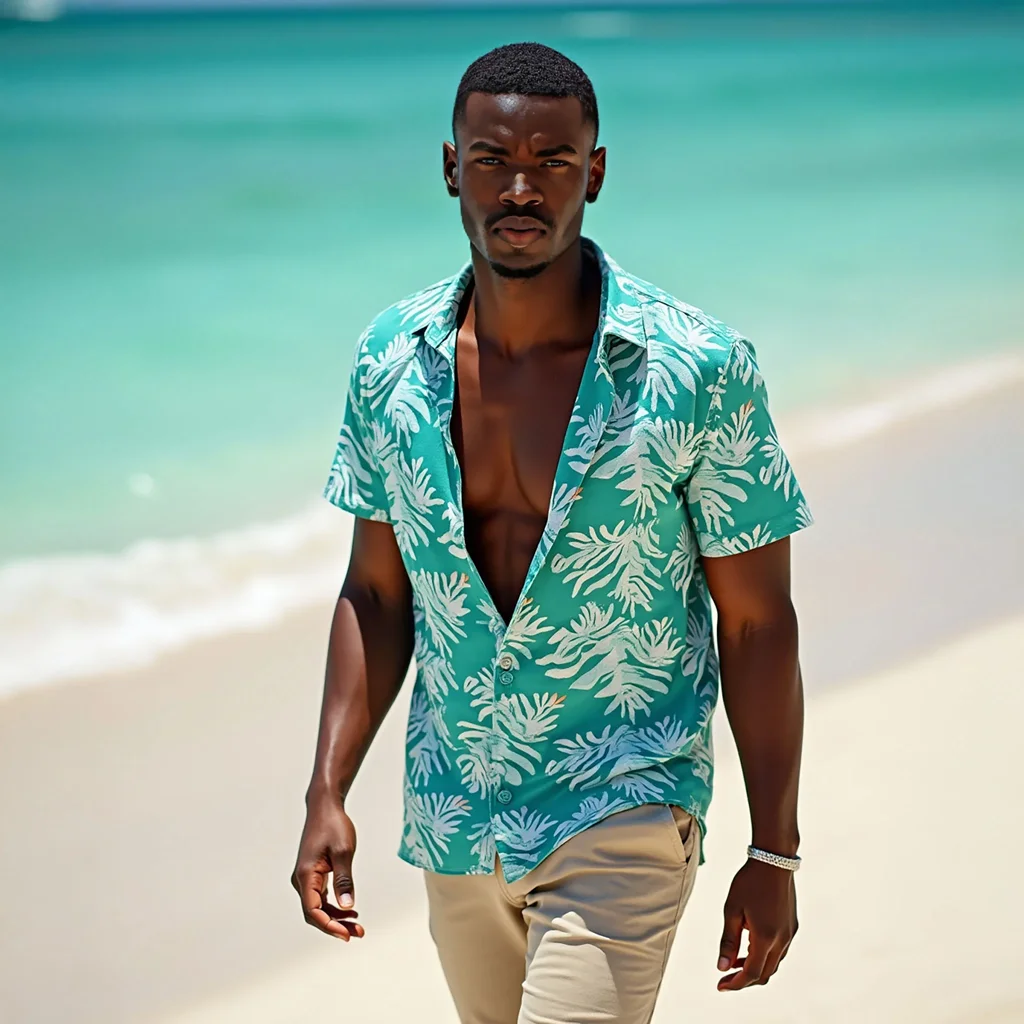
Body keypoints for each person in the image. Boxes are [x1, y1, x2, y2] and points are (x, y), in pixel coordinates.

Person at [292, 41, 812, 1024]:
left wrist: (773, 848)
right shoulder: (388, 361)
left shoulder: (695, 366)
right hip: (455, 816)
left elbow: (755, 622)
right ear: (450, 166)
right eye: (490, 159)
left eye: (552, 161)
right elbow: (376, 591)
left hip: (622, 800)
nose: (519, 186)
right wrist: (327, 788)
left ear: (596, 173)